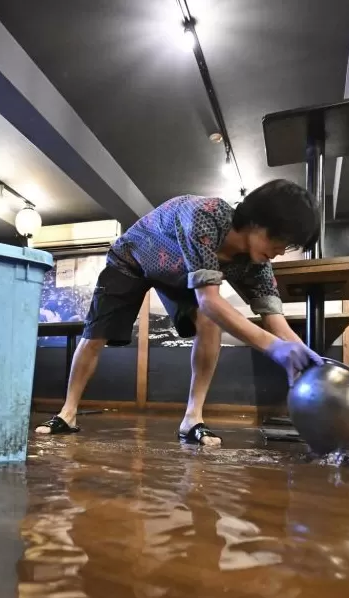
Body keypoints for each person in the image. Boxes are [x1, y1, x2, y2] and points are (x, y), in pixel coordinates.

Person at [35, 179, 324, 446]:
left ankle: (192, 419)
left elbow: (275, 322)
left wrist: (310, 361)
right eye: (281, 239)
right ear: (258, 221)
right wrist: (274, 348)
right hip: (132, 260)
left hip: (181, 275)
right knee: (95, 334)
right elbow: (210, 300)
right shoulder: (206, 215)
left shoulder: (258, 264)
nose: (281, 250)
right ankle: (67, 413)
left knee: (209, 322)